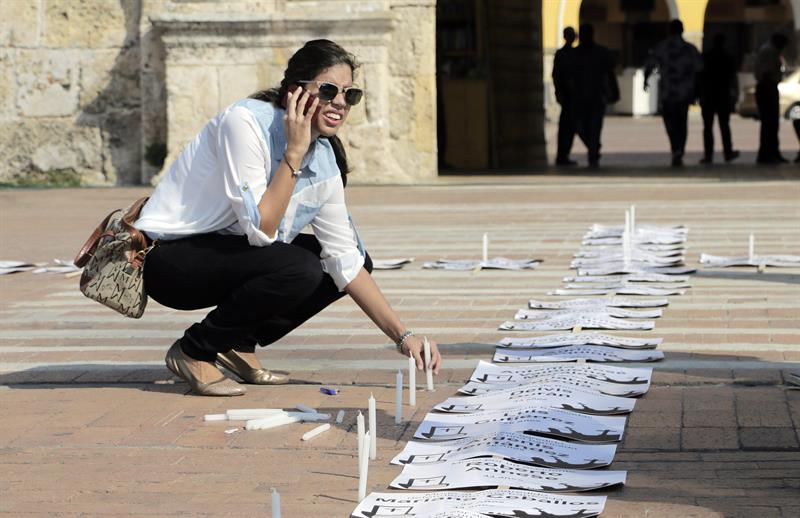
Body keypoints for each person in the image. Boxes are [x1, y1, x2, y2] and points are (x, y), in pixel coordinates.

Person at [133, 40, 442, 396]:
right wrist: (293, 153)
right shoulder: (245, 123)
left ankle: (236, 342)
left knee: (345, 262)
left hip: (229, 255)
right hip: (170, 261)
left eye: (350, 94)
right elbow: (261, 230)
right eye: (328, 90)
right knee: (299, 267)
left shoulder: (324, 158)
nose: (340, 103)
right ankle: (194, 350)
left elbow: (346, 261)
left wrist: (403, 336)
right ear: (295, 91)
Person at [644, 19, 702, 168]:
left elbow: (650, 64)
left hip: (668, 92)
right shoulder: (690, 48)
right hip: (684, 91)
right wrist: (697, 91)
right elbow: (699, 70)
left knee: (670, 121)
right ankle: (679, 149)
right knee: (682, 122)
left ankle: (675, 147)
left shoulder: (662, 47)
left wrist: (646, 80)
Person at [572, 24, 619, 169]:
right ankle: (593, 146)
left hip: (597, 95)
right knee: (580, 126)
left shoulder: (601, 53)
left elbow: (610, 74)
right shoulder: (575, 54)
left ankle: (593, 152)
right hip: (579, 96)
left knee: (595, 126)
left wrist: (614, 92)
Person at [699, 33, 740, 164]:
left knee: (708, 127)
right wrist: (735, 92)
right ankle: (727, 152)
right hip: (722, 95)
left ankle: (708, 154)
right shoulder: (727, 57)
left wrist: (698, 94)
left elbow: (700, 77)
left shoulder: (706, 57)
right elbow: (733, 77)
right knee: (724, 125)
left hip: (709, 95)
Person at [754, 32, 789, 165]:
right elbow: (767, 72)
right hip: (767, 88)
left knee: (769, 124)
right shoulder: (770, 51)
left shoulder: (769, 50)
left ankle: (769, 152)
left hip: (767, 87)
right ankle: (769, 153)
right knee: (770, 123)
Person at [552, 26, 577, 166]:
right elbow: (556, 75)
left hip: (573, 96)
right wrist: (558, 92)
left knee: (570, 127)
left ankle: (564, 154)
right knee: (565, 128)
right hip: (567, 95)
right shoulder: (561, 54)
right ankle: (562, 155)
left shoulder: (574, 54)